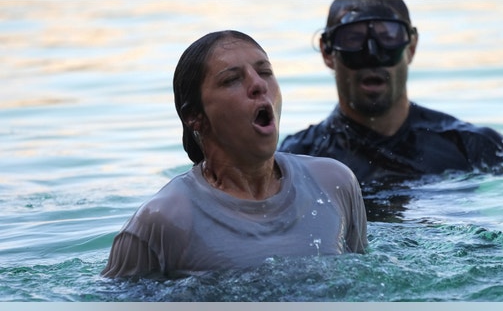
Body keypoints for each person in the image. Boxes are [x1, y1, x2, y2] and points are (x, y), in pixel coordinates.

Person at [101, 30, 367, 279]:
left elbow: (365, 281)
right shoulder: (164, 220)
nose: (258, 85)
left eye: (265, 72)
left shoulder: (334, 183)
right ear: (195, 117)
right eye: (231, 79)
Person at [279, 1, 503, 186]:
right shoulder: (299, 159)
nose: (373, 55)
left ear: (412, 46)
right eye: (353, 40)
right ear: (327, 52)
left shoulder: (471, 145)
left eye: (388, 37)